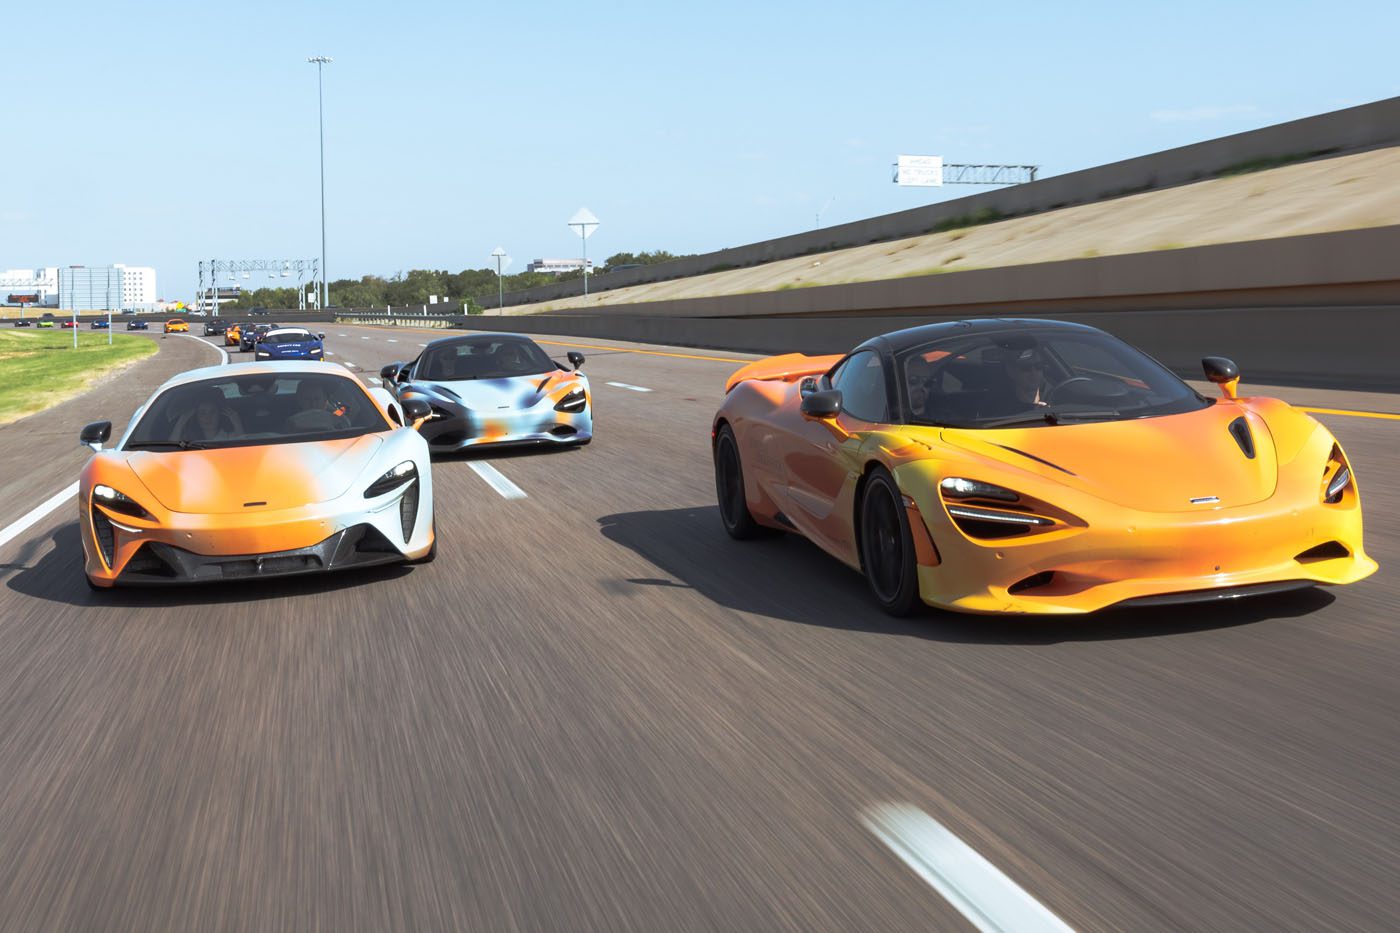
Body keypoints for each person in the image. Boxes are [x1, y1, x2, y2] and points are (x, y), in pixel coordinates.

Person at [175, 387, 242, 441]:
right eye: (202, 413)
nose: (208, 417)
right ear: (196, 416)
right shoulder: (188, 440)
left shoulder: (230, 437)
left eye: (212, 412)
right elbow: (171, 448)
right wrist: (181, 422)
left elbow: (242, 446)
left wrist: (237, 423)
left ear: (220, 414)